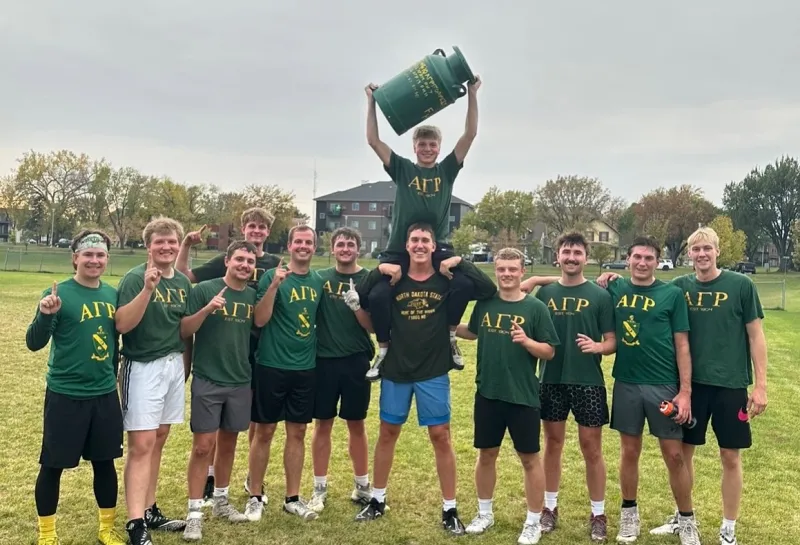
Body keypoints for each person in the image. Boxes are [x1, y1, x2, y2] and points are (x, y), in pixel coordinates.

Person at [353, 223, 497, 535]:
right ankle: (377, 499)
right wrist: (379, 269)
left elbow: (487, 290)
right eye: (414, 240)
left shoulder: (447, 280)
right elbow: (363, 296)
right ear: (406, 246)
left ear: (434, 247)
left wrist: (460, 261)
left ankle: (450, 507)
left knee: (441, 436)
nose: (419, 245)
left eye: (425, 241)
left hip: (433, 368)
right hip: (397, 368)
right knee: (388, 433)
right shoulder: (394, 280)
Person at [635, 227, 767, 545]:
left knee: (730, 456)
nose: (702, 254)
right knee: (682, 454)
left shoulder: (741, 285)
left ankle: (728, 529)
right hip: (689, 388)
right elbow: (645, 293)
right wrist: (610, 281)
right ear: (689, 254)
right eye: (696, 250)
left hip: (730, 386)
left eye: (707, 248)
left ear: (717, 251)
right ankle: (684, 518)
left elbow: (755, 335)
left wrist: (761, 385)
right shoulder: (679, 287)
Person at [359, 77, 481, 379]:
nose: (427, 148)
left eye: (432, 144)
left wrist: (472, 95)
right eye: (422, 144)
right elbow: (374, 141)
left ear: (438, 148)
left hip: (437, 247)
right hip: (400, 248)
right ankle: (384, 350)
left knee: (464, 285)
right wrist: (372, 102)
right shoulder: (402, 168)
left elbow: (470, 134)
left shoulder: (447, 170)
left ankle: (450, 337)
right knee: (375, 296)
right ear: (414, 147)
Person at [26, 229, 126, 545]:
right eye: (88, 254)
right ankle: (47, 534)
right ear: (75, 258)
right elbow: (33, 342)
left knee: (105, 463)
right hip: (65, 395)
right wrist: (45, 315)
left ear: (107, 259)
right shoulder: (58, 294)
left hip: (104, 394)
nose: (94, 260)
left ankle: (107, 529)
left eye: (100, 255)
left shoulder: (113, 295)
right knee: (52, 466)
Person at [455, 248, 560, 545]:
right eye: (501, 269)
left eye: (513, 269)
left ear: (522, 271)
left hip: (522, 396)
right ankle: (485, 513)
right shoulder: (486, 303)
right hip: (488, 392)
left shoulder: (535, 308)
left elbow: (550, 351)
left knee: (529, 459)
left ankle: (533, 521)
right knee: (486, 454)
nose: (507, 274)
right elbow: (473, 331)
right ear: (495, 271)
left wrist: (527, 342)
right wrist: (444, 326)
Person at [600, 236, 700, 545]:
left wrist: (685, 393)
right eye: (637, 257)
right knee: (629, 451)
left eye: (649, 258)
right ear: (627, 259)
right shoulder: (615, 287)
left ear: (657, 262)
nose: (642, 263)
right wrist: (535, 278)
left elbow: (682, 345)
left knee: (674, 456)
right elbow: (570, 276)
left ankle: (686, 521)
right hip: (627, 383)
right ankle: (629, 514)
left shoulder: (671, 294)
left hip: (664, 385)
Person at [176, 207, 280, 503]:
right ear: (243, 229)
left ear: (268, 233)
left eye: (262, 227)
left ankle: (252, 479)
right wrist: (186, 244)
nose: (257, 231)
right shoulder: (226, 263)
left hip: (257, 352)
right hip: (221, 347)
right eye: (252, 226)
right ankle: (210, 480)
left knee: (250, 423)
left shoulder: (273, 264)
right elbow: (185, 275)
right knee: (214, 429)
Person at [532, 232, 616, 542]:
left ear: (586, 257)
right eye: (566, 252)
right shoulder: (545, 294)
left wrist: (599, 347)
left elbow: (612, 340)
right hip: (551, 379)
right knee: (552, 444)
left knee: (591, 449)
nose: (571, 257)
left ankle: (598, 513)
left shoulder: (601, 296)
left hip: (588, 382)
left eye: (577, 252)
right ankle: (549, 508)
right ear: (558, 256)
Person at [116, 217, 192, 545]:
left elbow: (182, 329)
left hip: (172, 365)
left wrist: (184, 369)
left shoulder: (183, 283)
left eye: (171, 241)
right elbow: (123, 325)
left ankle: (149, 509)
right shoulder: (136, 278)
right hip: (142, 365)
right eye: (159, 242)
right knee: (141, 444)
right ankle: (135, 523)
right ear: (149, 246)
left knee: (159, 438)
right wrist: (148, 288)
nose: (166, 247)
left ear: (178, 244)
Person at [180, 241, 263, 540]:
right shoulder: (205, 289)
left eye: (249, 261)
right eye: (239, 259)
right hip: (208, 379)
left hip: (240, 380)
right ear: (227, 261)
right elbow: (184, 329)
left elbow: (262, 324)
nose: (244, 264)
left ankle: (221, 502)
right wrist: (207, 309)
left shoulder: (254, 296)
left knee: (229, 444)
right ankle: (193, 513)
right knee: (203, 446)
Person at [244, 224, 326, 522]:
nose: (303, 246)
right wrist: (275, 286)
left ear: (314, 247)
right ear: (289, 245)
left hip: (304, 368)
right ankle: (255, 494)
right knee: (264, 431)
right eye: (298, 241)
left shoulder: (318, 281)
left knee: (298, 431)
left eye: (308, 242)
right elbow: (260, 320)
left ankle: (292, 497)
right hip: (271, 364)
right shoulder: (272, 276)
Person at [307, 227, 376, 513]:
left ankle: (362, 485)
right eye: (340, 244)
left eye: (350, 244)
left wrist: (358, 308)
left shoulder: (368, 280)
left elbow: (373, 326)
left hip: (356, 360)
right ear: (332, 249)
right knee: (322, 424)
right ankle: (319, 487)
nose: (345, 248)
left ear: (358, 249)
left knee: (356, 424)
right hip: (323, 361)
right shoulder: (321, 279)